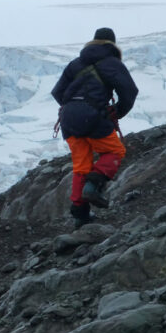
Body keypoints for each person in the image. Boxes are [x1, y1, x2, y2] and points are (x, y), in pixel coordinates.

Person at [51, 27, 139, 227]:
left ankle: (80, 215)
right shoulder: (112, 63)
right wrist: (117, 112)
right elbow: (129, 91)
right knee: (115, 151)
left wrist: (73, 109)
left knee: (81, 165)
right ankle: (93, 185)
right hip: (92, 116)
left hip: (68, 118)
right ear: (112, 44)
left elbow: (58, 92)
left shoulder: (75, 63)